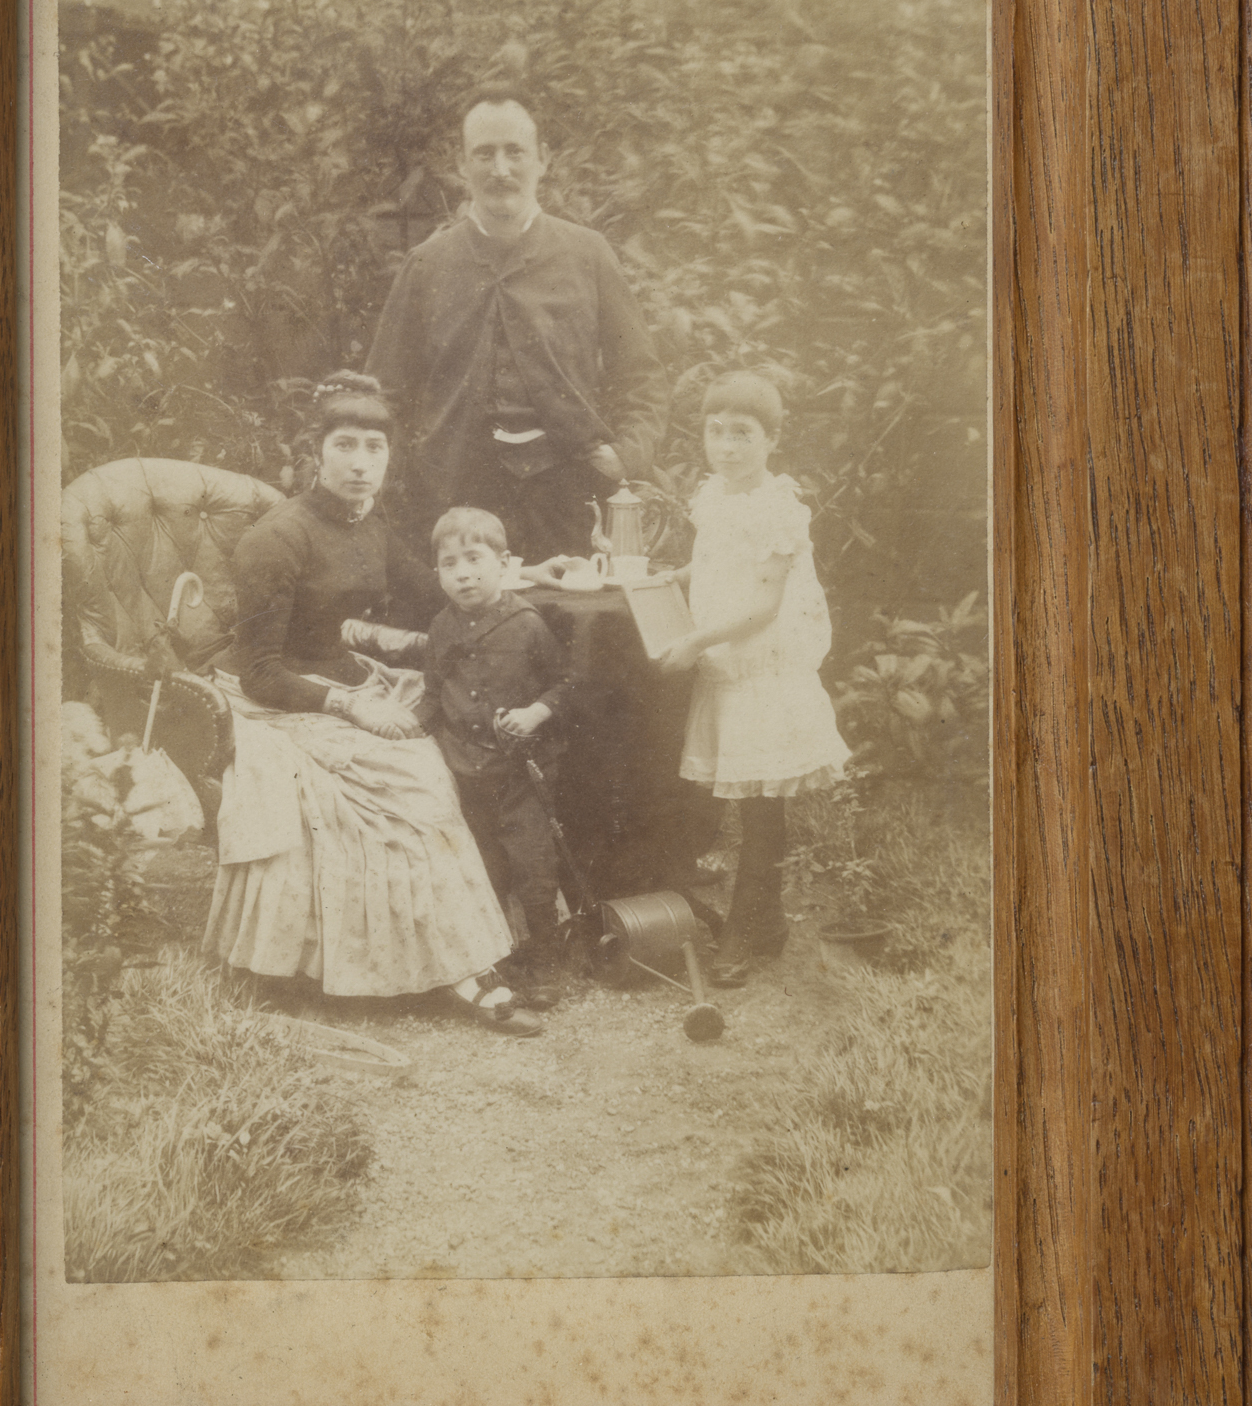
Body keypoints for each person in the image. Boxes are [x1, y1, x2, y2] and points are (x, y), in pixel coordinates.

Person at [202, 373, 543, 1033]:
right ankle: (459, 975)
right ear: (315, 453)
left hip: (346, 676)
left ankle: (462, 958)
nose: (361, 463)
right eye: (345, 446)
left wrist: (516, 574)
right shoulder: (277, 540)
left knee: (441, 752)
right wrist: (353, 709)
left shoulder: (370, 524)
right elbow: (261, 673)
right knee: (413, 782)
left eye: (375, 449)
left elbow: (430, 586)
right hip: (278, 699)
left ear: (389, 457)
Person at [366, 95, 669, 564]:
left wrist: (626, 454)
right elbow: (384, 394)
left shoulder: (587, 255)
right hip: (455, 504)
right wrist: (410, 476)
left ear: (543, 159)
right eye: (484, 154)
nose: (501, 169)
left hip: (570, 500)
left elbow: (641, 375)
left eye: (515, 152)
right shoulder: (426, 266)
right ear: (461, 165)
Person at [655, 371, 849, 983]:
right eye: (715, 432)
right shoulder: (715, 495)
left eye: (742, 433)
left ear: (772, 440)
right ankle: (766, 921)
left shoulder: (779, 509)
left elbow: (764, 605)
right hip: (726, 664)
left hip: (762, 669)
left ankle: (746, 928)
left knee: (762, 806)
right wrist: (668, 578)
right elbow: (715, 560)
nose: (727, 446)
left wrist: (694, 640)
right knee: (748, 804)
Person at [418, 507, 574, 1010]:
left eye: (474, 559)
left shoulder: (526, 623)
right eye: (449, 564)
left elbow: (565, 684)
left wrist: (536, 712)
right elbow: (433, 694)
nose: (463, 574)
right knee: (482, 866)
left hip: (521, 772)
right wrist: (407, 729)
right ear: (437, 573)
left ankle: (545, 959)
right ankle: (496, 954)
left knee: (532, 865)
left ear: (504, 564)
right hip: (464, 770)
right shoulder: (441, 627)